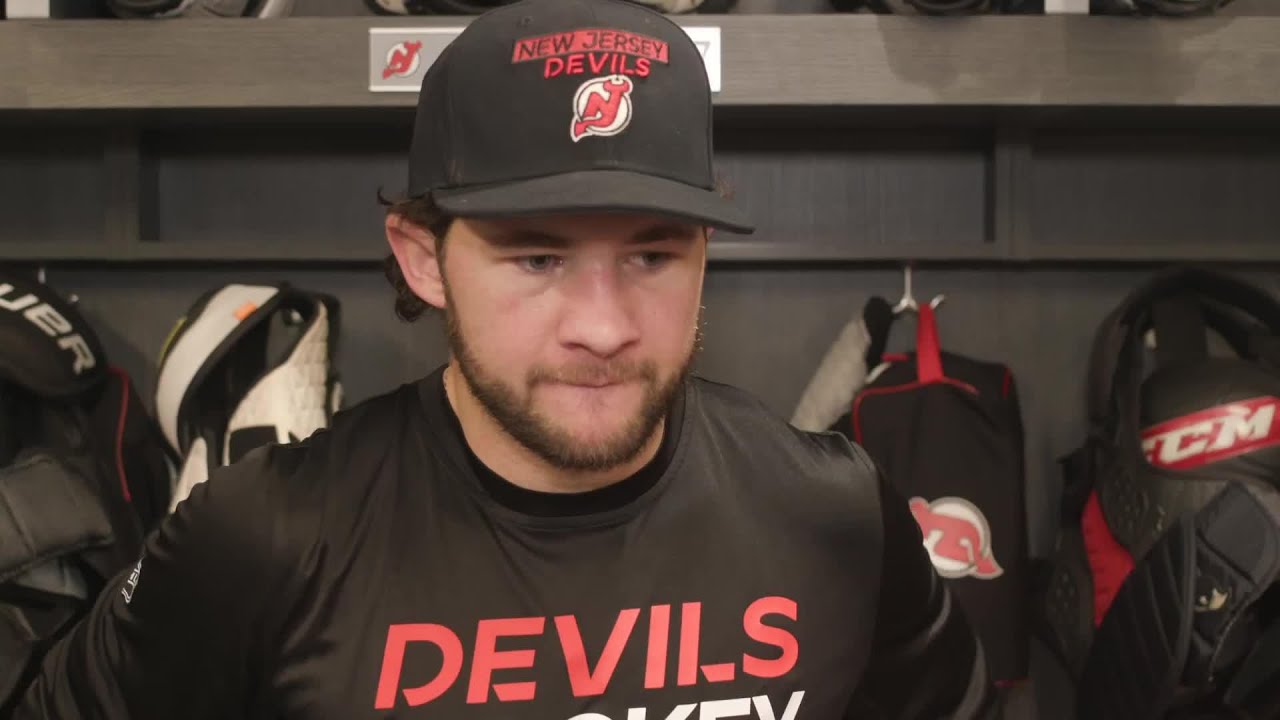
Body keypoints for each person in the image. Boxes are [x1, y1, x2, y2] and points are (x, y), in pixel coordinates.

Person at [13, 0, 999, 717]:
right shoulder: (263, 537)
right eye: (537, 256)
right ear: (421, 256)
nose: (603, 326)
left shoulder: (832, 511)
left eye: (652, 254)